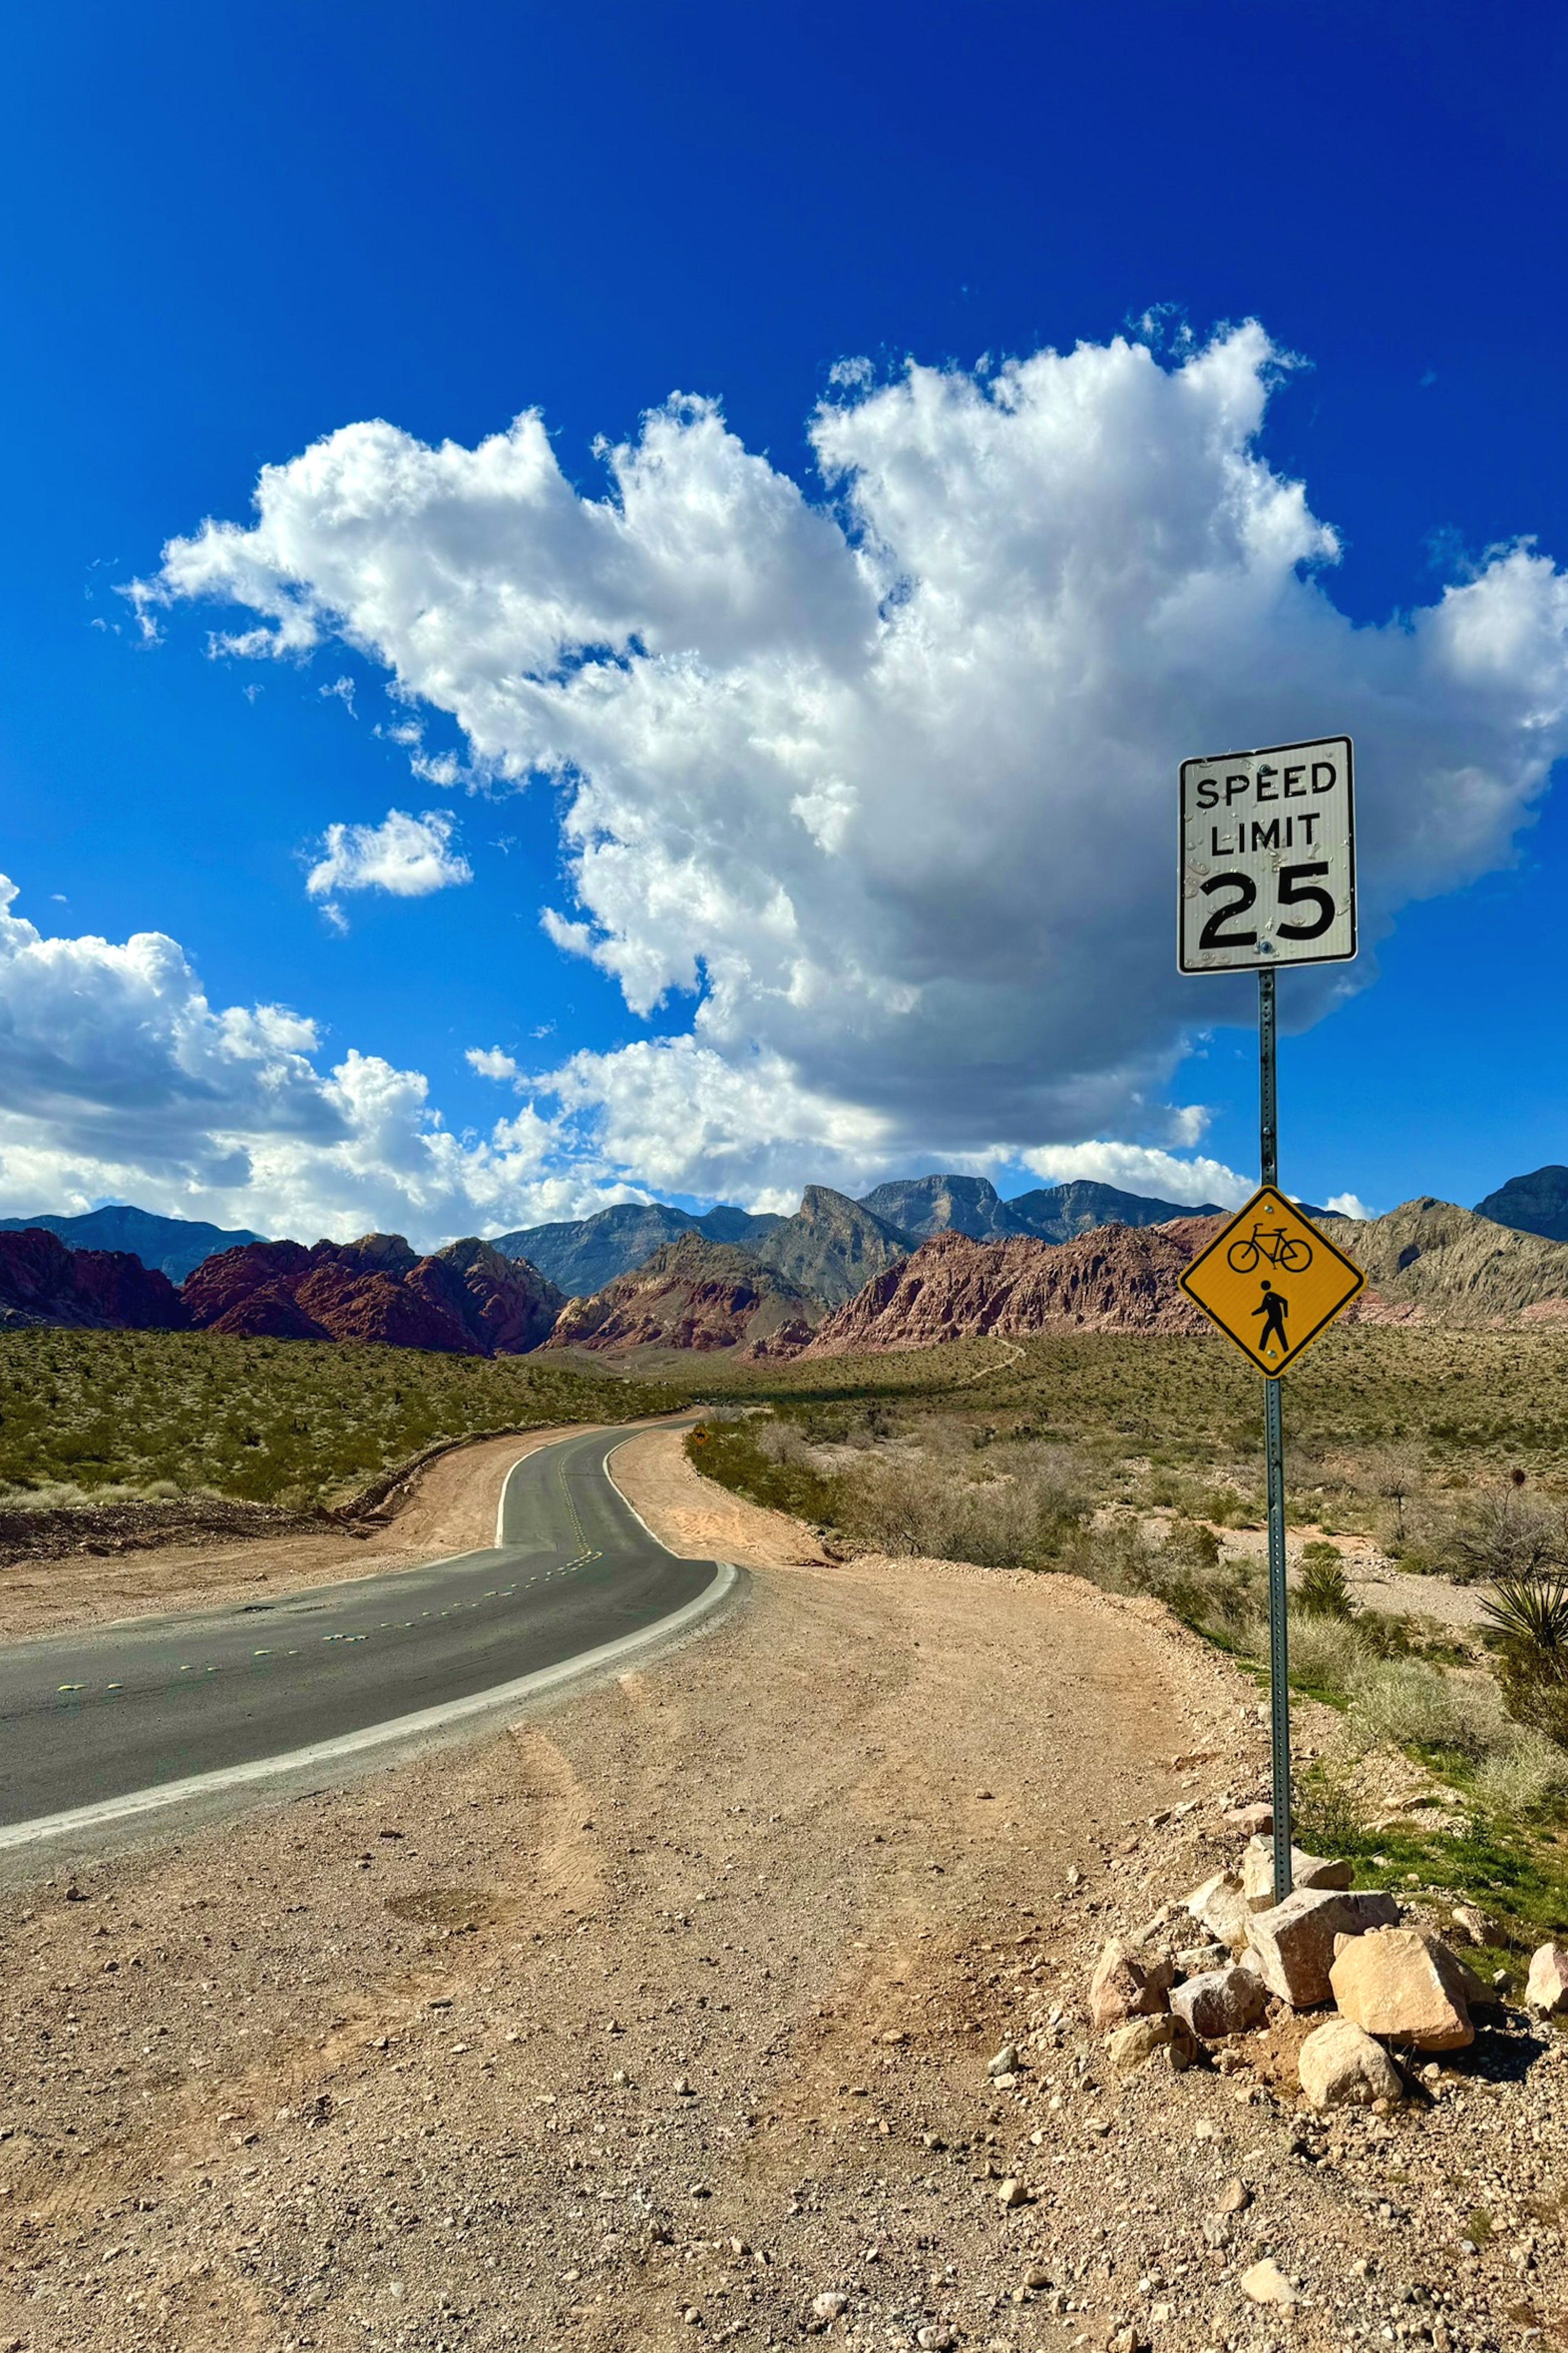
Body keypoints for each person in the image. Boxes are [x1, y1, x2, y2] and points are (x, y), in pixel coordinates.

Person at [1252, 1280, 1290, 1357]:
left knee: (1273, 1333)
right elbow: (1263, 1309)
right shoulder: (1267, 1296)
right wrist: (1253, 1314)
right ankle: (1262, 1350)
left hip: (1276, 1318)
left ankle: (1262, 1350)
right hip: (1273, 1318)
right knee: (1275, 1333)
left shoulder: (1271, 1295)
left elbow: (1285, 1302)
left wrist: (1286, 1316)